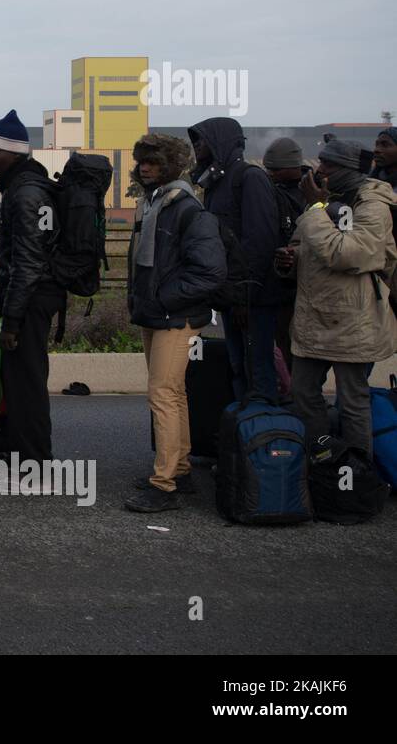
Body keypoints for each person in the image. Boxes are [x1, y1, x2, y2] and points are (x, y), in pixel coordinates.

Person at [122, 134, 226, 513]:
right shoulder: (154, 205)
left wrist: (165, 298)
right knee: (174, 393)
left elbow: (211, 272)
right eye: (142, 161)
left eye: (154, 162)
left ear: (171, 166)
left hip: (173, 316)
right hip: (157, 313)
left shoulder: (187, 210)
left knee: (162, 395)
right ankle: (178, 471)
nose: (146, 167)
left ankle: (163, 486)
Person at [277, 139, 397, 456]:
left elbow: (348, 255)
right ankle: (323, 457)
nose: (320, 170)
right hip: (313, 316)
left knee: (352, 400)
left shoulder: (372, 205)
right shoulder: (321, 201)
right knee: (303, 392)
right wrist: (291, 260)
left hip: (354, 319)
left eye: (329, 165)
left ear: (349, 170)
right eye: (321, 162)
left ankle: (358, 473)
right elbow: (308, 245)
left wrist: (315, 208)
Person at [0, 109, 65, 467]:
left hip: (33, 299)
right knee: (19, 382)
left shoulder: (27, 194)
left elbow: (29, 263)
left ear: (15, 154)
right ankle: (22, 455)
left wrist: (12, 320)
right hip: (32, 297)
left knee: (27, 385)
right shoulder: (21, 187)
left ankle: (34, 464)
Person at [189, 118, 282, 401]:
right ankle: (245, 435)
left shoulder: (249, 178)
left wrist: (244, 296)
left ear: (221, 141)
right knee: (238, 368)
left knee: (259, 370)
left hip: (253, 299)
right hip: (231, 297)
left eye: (201, 140)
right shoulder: (216, 183)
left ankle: (266, 435)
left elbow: (260, 242)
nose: (197, 146)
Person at [263, 138, 309, 367]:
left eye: (276, 169)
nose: (271, 174)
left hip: (307, 281)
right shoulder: (272, 191)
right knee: (283, 340)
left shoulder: (314, 192)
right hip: (281, 280)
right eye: (269, 169)